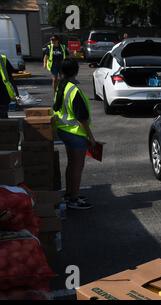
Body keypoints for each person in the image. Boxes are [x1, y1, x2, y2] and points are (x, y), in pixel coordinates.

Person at [53, 59, 96, 210]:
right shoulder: (74, 90)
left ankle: (70, 193)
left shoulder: (61, 86)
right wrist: (91, 138)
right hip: (75, 133)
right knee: (77, 167)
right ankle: (74, 199)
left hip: (63, 130)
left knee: (71, 165)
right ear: (76, 71)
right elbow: (82, 118)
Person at [0, 54, 19, 118]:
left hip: (3, 93)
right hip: (3, 93)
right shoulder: (3, 58)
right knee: (3, 116)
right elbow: (10, 70)